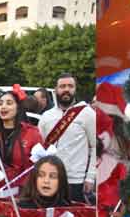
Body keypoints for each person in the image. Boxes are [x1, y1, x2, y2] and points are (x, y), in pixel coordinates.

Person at [38, 74, 95, 202]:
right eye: (62, 86)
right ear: (56, 89)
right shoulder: (46, 117)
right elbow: (40, 148)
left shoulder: (87, 113)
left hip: (76, 180)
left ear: (75, 89)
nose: (66, 89)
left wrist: (90, 177)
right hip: (49, 179)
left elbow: (96, 147)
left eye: (70, 86)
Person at [0, 89, 43, 173]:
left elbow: (39, 165)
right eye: (0, 103)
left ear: (18, 108)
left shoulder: (32, 133)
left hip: (23, 184)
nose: (3, 106)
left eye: (9, 103)